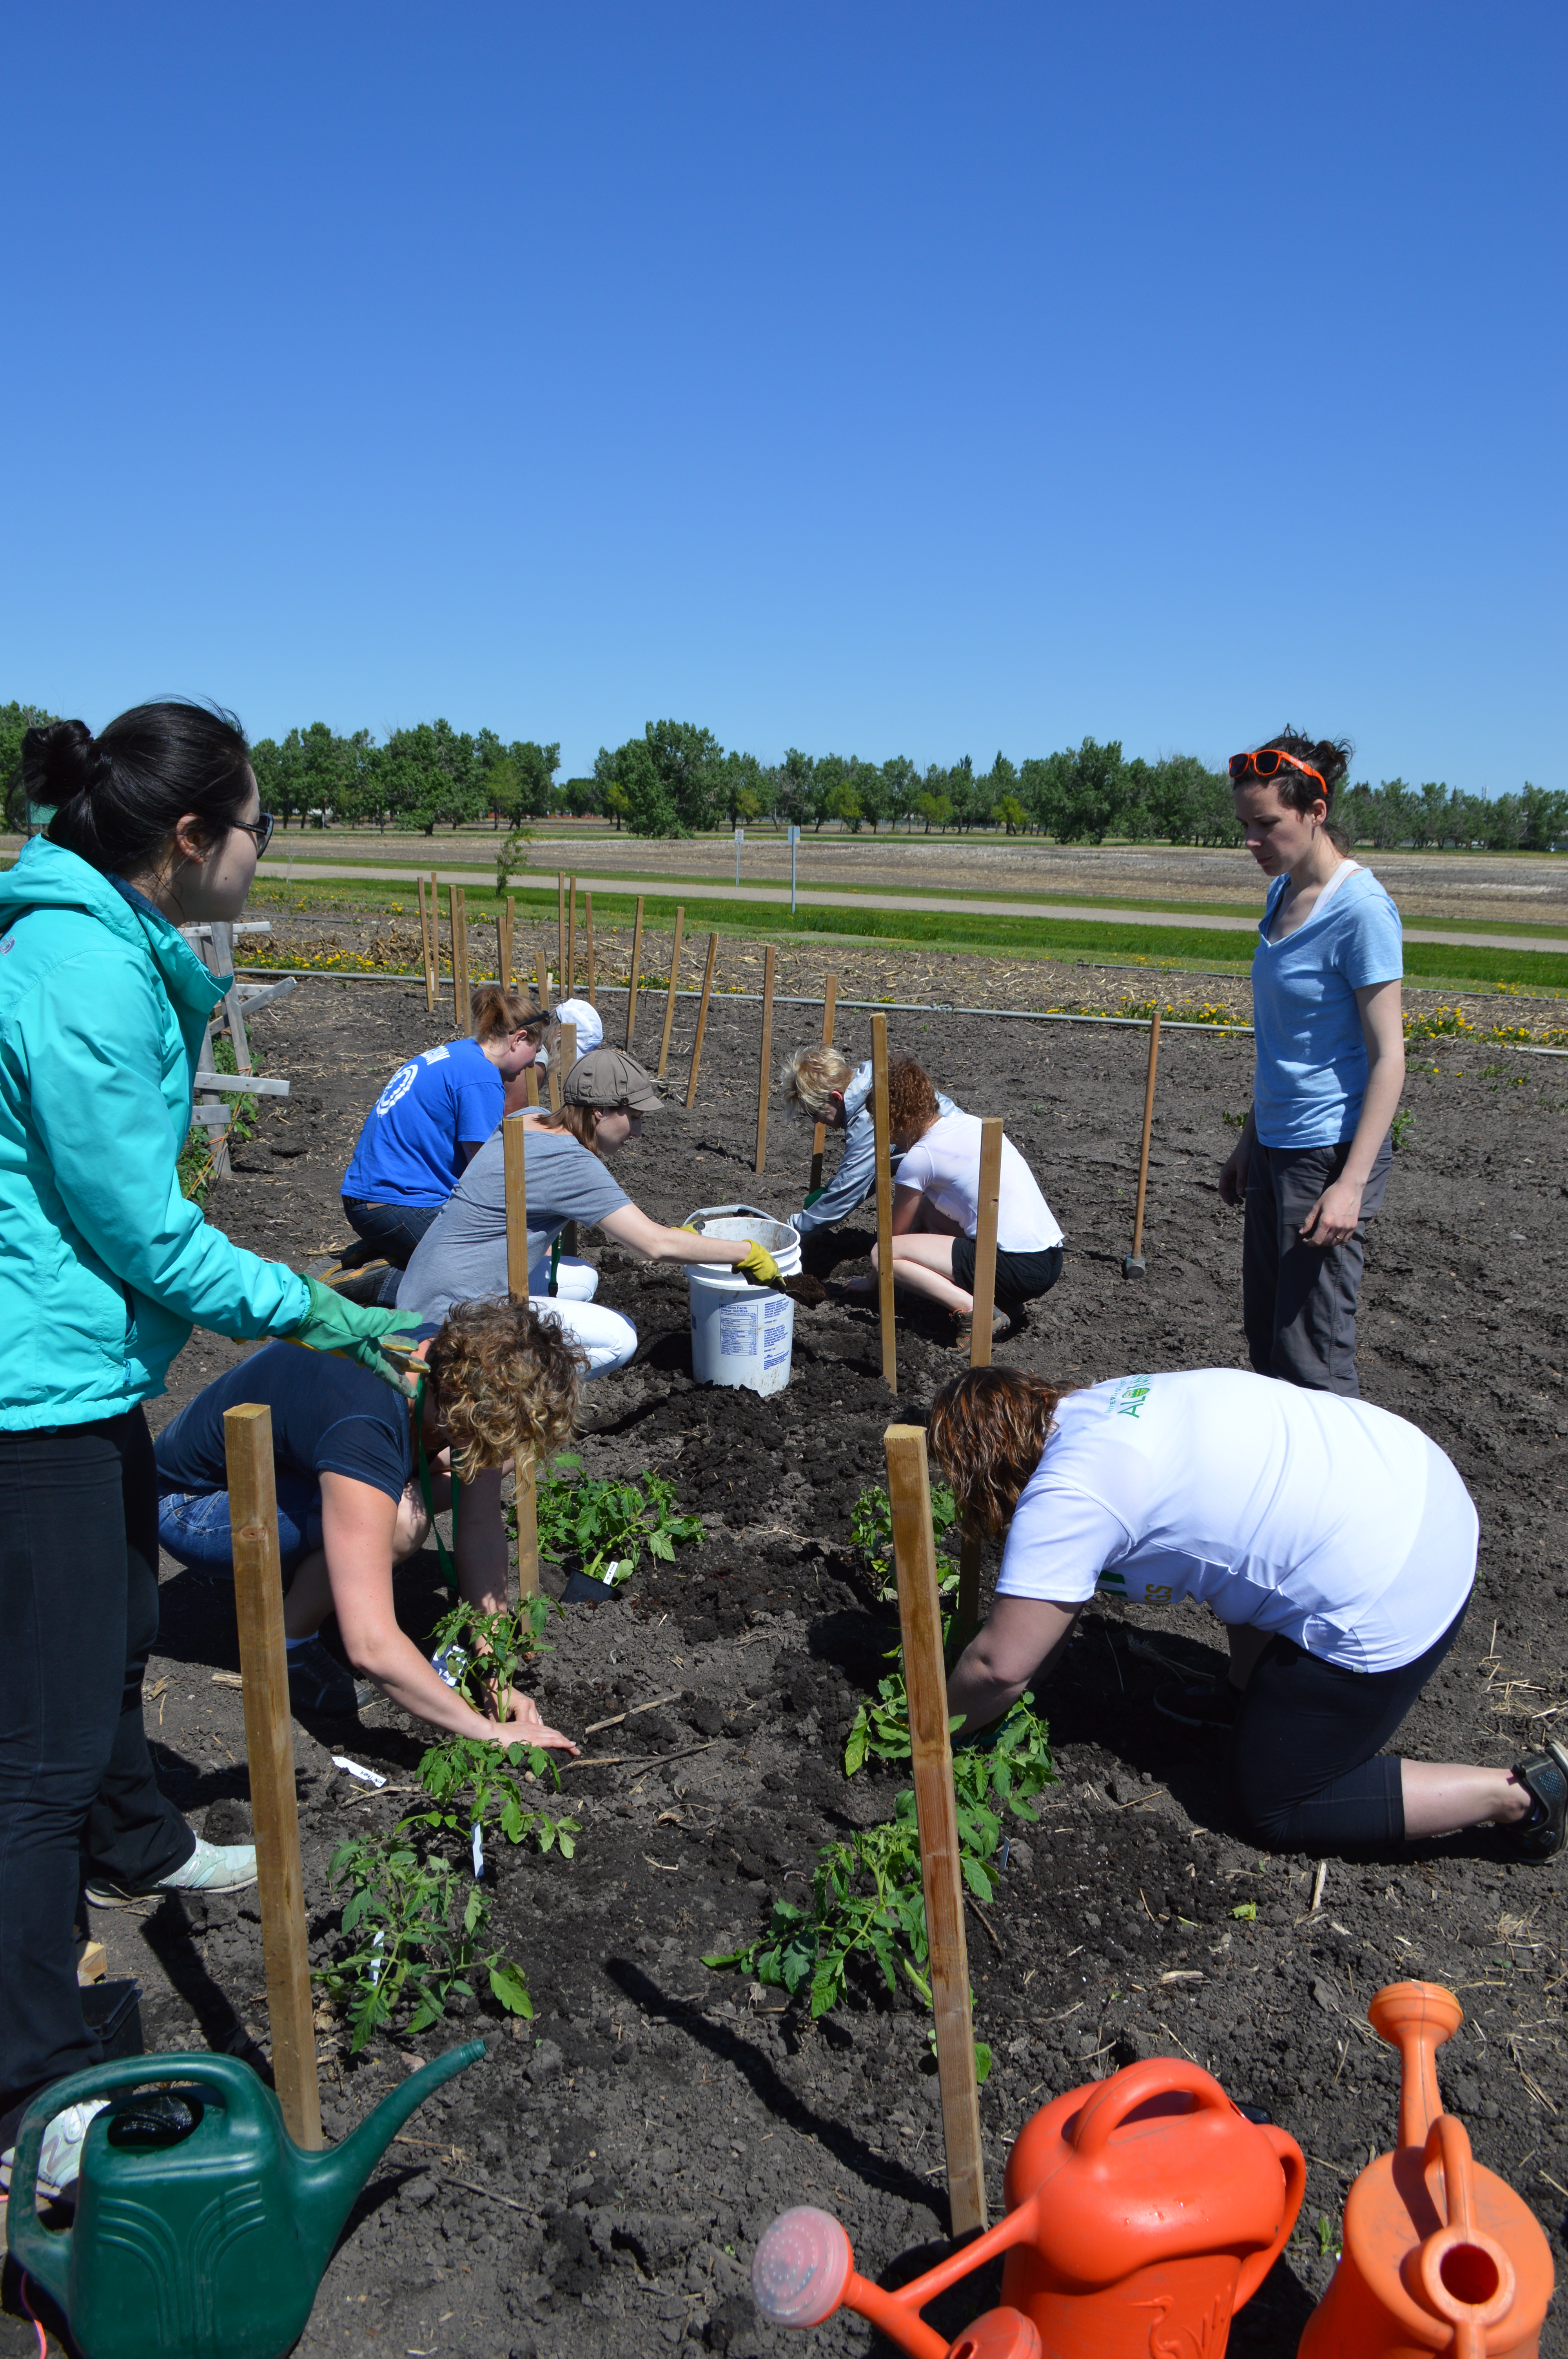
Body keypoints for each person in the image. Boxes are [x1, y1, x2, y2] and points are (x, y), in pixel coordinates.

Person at [0, 705, 409, 2196]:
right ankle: (31, 2082)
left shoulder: (98, 939)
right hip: (23, 1384)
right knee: (30, 1751)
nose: (260, 853)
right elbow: (139, 1226)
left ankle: (141, 1833)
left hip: (74, 1360)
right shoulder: (83, 967)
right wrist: (310, 1303)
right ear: (191, 840)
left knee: (111, 1628)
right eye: (257, 829)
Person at [929, 1365, 1568, 1860]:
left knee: (1271, 1805)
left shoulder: (1068, 1498)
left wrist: (930, 1737)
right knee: (1240, 1541)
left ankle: (1517, 1795)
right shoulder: (1101, 1405)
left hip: (1397, 1587)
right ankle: (1245, 1697)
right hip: (1416, 1483)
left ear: (989, 1466)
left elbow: (999, 1668)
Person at [156, 1301, 580, 1745]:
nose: (501, 1450)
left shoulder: (452, 1361)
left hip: (287, 1471)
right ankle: (286, 1645)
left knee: (462, 1473)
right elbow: (371, 1644)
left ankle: (316, 1575)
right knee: (401, 1521)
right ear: (464, 1415)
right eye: (491, 1437)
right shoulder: (367, 1424)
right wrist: (489, 1732)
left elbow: (479, 1528)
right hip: (193, 1507)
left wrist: (495, 1673)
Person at [397, 1047, 786, 1375]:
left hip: (422, 1291)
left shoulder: (528, 1118)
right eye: (632, 1118)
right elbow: (653, 1246)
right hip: (453, 1319)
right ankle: (513, 1395)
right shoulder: (570, 1164)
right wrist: (745, 1252)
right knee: (620, 1338)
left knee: (582, 1279)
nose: (638, 1132)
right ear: (600, 1110)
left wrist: (683, 1239)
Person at [1220, 734, 1405, 1396]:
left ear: (1315, 811)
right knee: (1268, 1342)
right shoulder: (1281, 896)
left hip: (1327, 1153)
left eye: (1266, 823)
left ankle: (1341, 1493)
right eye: (1244, 825)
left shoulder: (1360, 910)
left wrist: (1351, 1184)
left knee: (1313, 1359)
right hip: (1276, 1145)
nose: (1252, 840)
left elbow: (1389, 1058)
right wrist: (1251, 1138)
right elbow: (1286, 1043)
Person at [851, 1058, 1063, 1343]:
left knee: (883, 1254)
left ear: (897, 1119)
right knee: (926, 1208)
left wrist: (872, 1282)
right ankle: (1001, 1301)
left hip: (1013, 1266)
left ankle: (979, 1311)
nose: (887, 1137)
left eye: (884, 1127)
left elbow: (894, 1238)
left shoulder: (919, 1158)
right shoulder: (971, 1124)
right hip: (1049, 1259)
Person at [340, 984, 547, 1267]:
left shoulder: (457, 1053)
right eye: (533, 1055)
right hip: (397, 1203)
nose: (529, 1066)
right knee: (488, 1267)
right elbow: (485, 1171)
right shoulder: (482, 1077)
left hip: (367, 1196)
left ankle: (388, 1252)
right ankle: (370, 1280)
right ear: (519, 1038)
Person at [778, 1043, 960, 1237]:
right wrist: (830, 1191)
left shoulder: (868, 1116)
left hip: (956, 1185)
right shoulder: (871, 1076)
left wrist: (790, 1232)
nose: (815, 1121)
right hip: (956, 1163)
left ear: (836, 1098)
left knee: (902, 1239)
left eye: (814, 1112)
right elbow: (871, 1173)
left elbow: (848, 1190)